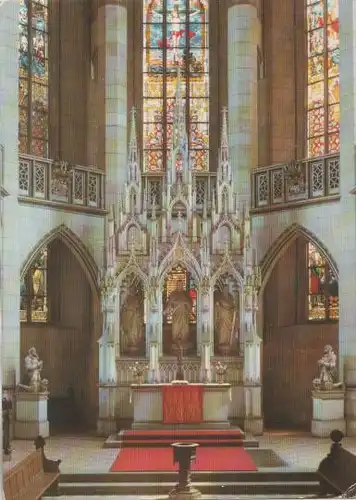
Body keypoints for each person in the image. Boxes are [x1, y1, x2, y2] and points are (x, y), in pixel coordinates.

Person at [164, 280, 193, 348]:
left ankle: (184, 340)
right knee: (176, 328)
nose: (179, 286)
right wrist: (166, 311)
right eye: (178, 284)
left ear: (183, 285)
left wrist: (185, 303)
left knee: (184, 328)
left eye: (181, 284)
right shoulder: (173, 294)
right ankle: (176, 341)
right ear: (176, 285)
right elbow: (169, 304)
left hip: (184, 315)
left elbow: (190, 304)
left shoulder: (186, 294)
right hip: (176, 315)